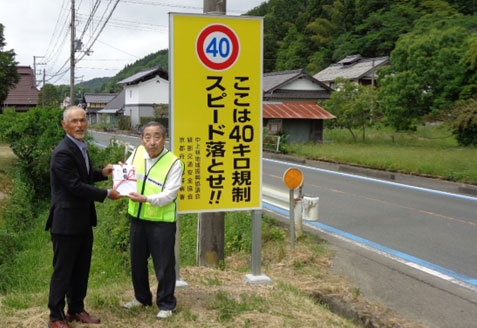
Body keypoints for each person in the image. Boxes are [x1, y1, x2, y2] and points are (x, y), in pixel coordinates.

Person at [45, 106, 121, 328]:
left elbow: (83, 177)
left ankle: (76, 309)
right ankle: (55, 316)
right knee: (63, 270)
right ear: (64, 125)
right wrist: (107, 193)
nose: (79, 125)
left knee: (81, 268)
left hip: (82, 220)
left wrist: (101, 173)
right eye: (74, 121)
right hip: (65, 222)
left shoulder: (80, 146)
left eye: (82, 120)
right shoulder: (63, 151)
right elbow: (74, 186)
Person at [121, 121, 184, 320]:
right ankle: (141, 298)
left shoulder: (174, 162)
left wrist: (146, 199)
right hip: (138, 218)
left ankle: (166, 303)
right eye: (147, 137)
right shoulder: (138, 152)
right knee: (137, 262)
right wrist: (121, 172)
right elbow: (128, 172)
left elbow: (169, 195)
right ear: (141, 139)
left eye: (157, 136)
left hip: (161, 223)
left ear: (164, 139)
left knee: (164, 265)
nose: (152, 141)